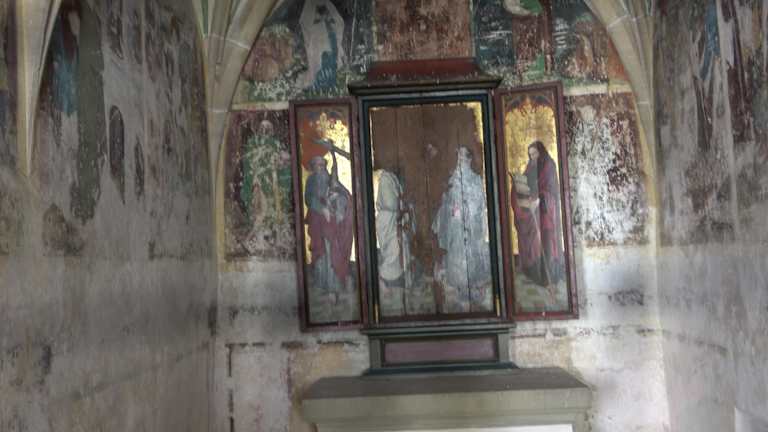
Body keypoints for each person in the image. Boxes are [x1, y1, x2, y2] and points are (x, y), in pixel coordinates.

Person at [432, 147, 491, 311]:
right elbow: (449, 201)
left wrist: (468, 210)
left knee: (472, 257)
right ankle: (461, 290)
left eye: (463, 159)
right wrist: (453, 209)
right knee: (457, 256)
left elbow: (480, 203)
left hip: (472, 225)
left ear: (469, 160)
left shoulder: (476, 179)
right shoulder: (453, 178)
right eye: (458, 159)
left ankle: (473, 290)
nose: (460, 162)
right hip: (457, 226)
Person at [510, 140, 564, 292]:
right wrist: (518, 186)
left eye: (534, 153)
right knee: (531, 237)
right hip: (533, 210)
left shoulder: (549, 166)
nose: (532, 157)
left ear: (541, 152)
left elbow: (551, 190)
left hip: (546, 213)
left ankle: (548, 277)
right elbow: (526, 182)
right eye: (530, 155)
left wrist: (539, 199)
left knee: (544, 240)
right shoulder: (531, 166)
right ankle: (533, 271)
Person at [304, 149, 354, 297]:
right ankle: (322, 284)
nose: (322, 168)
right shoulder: (311, 180)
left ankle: (335, 283)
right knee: (321, 252)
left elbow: (342, 192)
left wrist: (337, 198)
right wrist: (322, 209)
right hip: (318, 220)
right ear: (314, 167)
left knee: (334, 249)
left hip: (331, 222)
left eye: (323, 165)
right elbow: (308, 199)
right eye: (318, 165)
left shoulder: (329, 178)